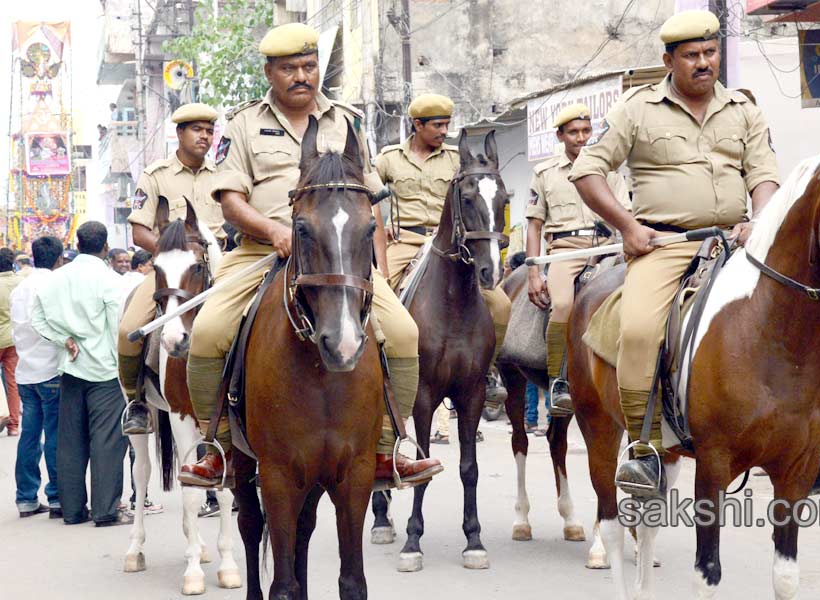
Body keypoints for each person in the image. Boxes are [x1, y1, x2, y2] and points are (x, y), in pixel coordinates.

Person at [570, 10, 820, 496]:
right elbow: (587, 170)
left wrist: (761, 220)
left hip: (736, 243)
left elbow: (764, 175)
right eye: (692, 56)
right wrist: (627, 227)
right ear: (669, 60)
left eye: (710, 53)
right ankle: (645, 447)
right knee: (641, 329)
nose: (703, 63)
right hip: (665, 244)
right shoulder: (636, 108)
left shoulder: (744, 109)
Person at [178, 23, 440, 487]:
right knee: (208, 332)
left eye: (309, 66)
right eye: (289, 68)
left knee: (402, 332)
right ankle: (215, 446)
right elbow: (231, 201)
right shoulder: (241, 123)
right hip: (261, 251)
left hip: (338, 258)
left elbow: (369, 199)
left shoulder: (347, 120)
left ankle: (388, 448)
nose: (301, 76)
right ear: (269, 72)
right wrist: (275, 230)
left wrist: (373, 263)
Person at [375, 93, 512, 405]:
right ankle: (383, 369)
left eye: (447, 124)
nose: (443, 131)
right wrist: (382, 225)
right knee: (378, 299)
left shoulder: (456, 159)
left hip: (451, 246)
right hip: (405, 242)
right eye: (437, 125)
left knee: (501, 305)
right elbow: (367, 197)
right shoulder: (388, 159)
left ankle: (487, 370)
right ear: (417, 125)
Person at [117, 102, 227, 436]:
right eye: (197, 130)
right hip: (171, 272)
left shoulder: (224, 176)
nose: (204, 137)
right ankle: (136, 401)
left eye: (209, 131)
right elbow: (139, 231)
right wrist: (174, 255)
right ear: (179, 133)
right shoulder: (154, 176)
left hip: (222, 270)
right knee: (129, 328)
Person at [525, 104, 630, 415]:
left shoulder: (609, 170)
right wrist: (533, 271)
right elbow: (534, 224)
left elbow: (626, 213)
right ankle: (559, 380)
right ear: (560, 135)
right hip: (566, 249)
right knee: (562, 304)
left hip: (608, 247)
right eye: (573, 132)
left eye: (586, 131)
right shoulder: (544, 173)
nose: (581, 137)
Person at [32, 221, 130, 526]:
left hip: (70, 369)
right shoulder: (110, 279)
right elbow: (117, 326)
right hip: (105, 371)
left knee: (70, 442)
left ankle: (73, 511)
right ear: (105, 247)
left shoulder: (55, 279)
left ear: (76, 243)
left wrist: (64, 340)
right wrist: (125, 370)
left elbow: (37, 320)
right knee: (107, 442)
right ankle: (105, 511)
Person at [12, 236, 65, 518]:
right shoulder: (54, 285)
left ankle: (26, 498)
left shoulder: (20, 288)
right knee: (55, 435)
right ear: (59, 259)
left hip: (26, 372)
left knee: (29, 436)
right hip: (50, 370)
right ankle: (56, 497)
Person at [0, 248, 25, 436]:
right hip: (14, 338)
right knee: (13, 382)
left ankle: (2, 414)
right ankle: (14, 425)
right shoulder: (21, 282)